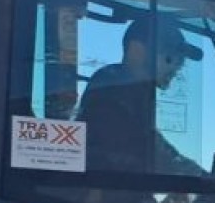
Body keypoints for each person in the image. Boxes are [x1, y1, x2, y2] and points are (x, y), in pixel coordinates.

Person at [78, 15, 208, 182]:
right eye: (170, 57)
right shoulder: (113, 91)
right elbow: (145, 150)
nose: (177, 67)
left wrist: (199, 177)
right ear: (137, 51)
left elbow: (153, 144)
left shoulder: (135, 92)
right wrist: (199, 178)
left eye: (180, 61)